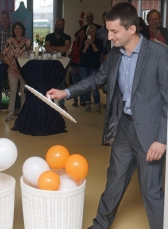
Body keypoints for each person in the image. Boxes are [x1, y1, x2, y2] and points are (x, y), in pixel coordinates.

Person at [47, 2, 168, 228]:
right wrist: (66, 92)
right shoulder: (114, 54)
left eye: (114, 31)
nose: (109, 36)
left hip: (151, 135)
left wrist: (162, 139)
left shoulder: (160, 54)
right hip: (124, 128)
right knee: (114, 183)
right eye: (108, 30)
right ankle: (100, 225)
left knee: (151, 193)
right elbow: (96, 79)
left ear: (131, 29)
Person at [1, 21, 31, 122]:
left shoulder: (27, 41)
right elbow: (4, 56)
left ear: (23, 30)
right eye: (16, 28)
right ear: (13, 30)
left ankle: (23, 112)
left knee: (23, 92)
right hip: (12, 69)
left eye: (20, 28)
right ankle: (10, 113)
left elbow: (29, 56)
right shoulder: (9, 41)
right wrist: (12, 67)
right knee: (13, 91)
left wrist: (23, 68)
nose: (18, 30)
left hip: (24, 70)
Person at [45, 18, 71, 111]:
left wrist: (53, 48)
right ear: (55, 25)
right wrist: (59, 49)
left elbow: (65, 49)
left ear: (63, 26)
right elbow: (47, 49)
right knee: (50, 82)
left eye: (61, 24)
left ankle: (61, 104)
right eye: (57, 24)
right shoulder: (49, 36)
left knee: (61, 84)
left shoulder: (67, 37)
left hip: (62, 64)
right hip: (50, 64)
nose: (59, 26)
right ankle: (50, 102)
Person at [79, 25, 103, 113]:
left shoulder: (99, 41)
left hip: (94, 66)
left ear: (95, 33)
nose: (91, 33)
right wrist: (86, 45)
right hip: (83, 66)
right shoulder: (83, 41)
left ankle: (97, 104)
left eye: (92, 31)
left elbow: (98, 53)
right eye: (89, 31)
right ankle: (88, 103)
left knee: (94, 86)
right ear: (87, 33)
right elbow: (82, 53)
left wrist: (92, 43)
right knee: (86, 85)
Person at [69, 28, 86, 107]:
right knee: (75, 84)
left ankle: (82, 100)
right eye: (80, 33)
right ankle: (75, 100)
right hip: (73, 65)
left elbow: (83, 54)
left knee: (82, 84)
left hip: (82, 66)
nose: (81, 35)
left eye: (83, 33)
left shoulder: (85, 43)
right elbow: (72, 53)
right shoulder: (74, 43)